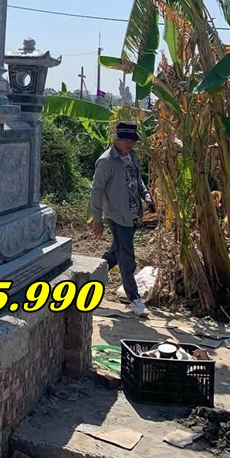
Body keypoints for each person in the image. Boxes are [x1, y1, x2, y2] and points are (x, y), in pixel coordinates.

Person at [91, 121, 155, 318]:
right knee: (127, 258)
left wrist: (147, 196)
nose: (130, 143)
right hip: (117, 215)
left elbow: (137, 180)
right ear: (116, 140)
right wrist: (97, 220)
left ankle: (90, 279)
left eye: (132, 140)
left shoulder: (131, 156)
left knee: (115, 253)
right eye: (126, 139)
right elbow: (96, 190)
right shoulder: (106, 161)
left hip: (133, 214)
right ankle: (134, 299)